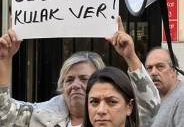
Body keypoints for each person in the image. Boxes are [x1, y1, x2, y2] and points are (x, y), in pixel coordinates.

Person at [0, 17, 160, 126]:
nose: (75, 85)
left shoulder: (114, 117)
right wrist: (3, 59)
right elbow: (4, 114)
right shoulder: (40, 115)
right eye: (69, 80)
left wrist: (130, 57)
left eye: (84, 79)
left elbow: (150, 108)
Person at [145, 47, 184, 127]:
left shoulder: (183, 100)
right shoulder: (159, 95)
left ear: (173, 71)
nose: (153, 72)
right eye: (149, 68)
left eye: (160, 66)